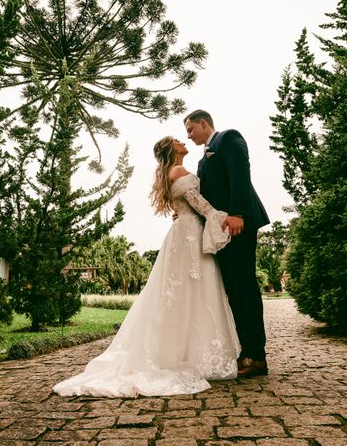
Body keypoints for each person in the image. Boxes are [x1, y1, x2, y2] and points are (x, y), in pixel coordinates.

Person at [53, 136, 240, 397]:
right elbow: (200, 205)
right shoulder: (178, 170)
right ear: (170, 150)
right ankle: (191, 355)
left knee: (181, 294)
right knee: (193, 291)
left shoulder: (170, 173)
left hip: (183, 233)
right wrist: (222, 219)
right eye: (177, 140)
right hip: (188, 235)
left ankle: (183, 352)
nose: (182, 141)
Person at [184, 109, 270, 377]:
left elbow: (240, 175)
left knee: (244, 287)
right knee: (233, 290)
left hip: (238, 225)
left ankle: (256, 355)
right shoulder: (201, 161)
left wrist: (238, 213)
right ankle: (246, 352)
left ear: (203, 123)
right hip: (221, 231)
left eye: (190, 130)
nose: (188, 136)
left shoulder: (228, 139)